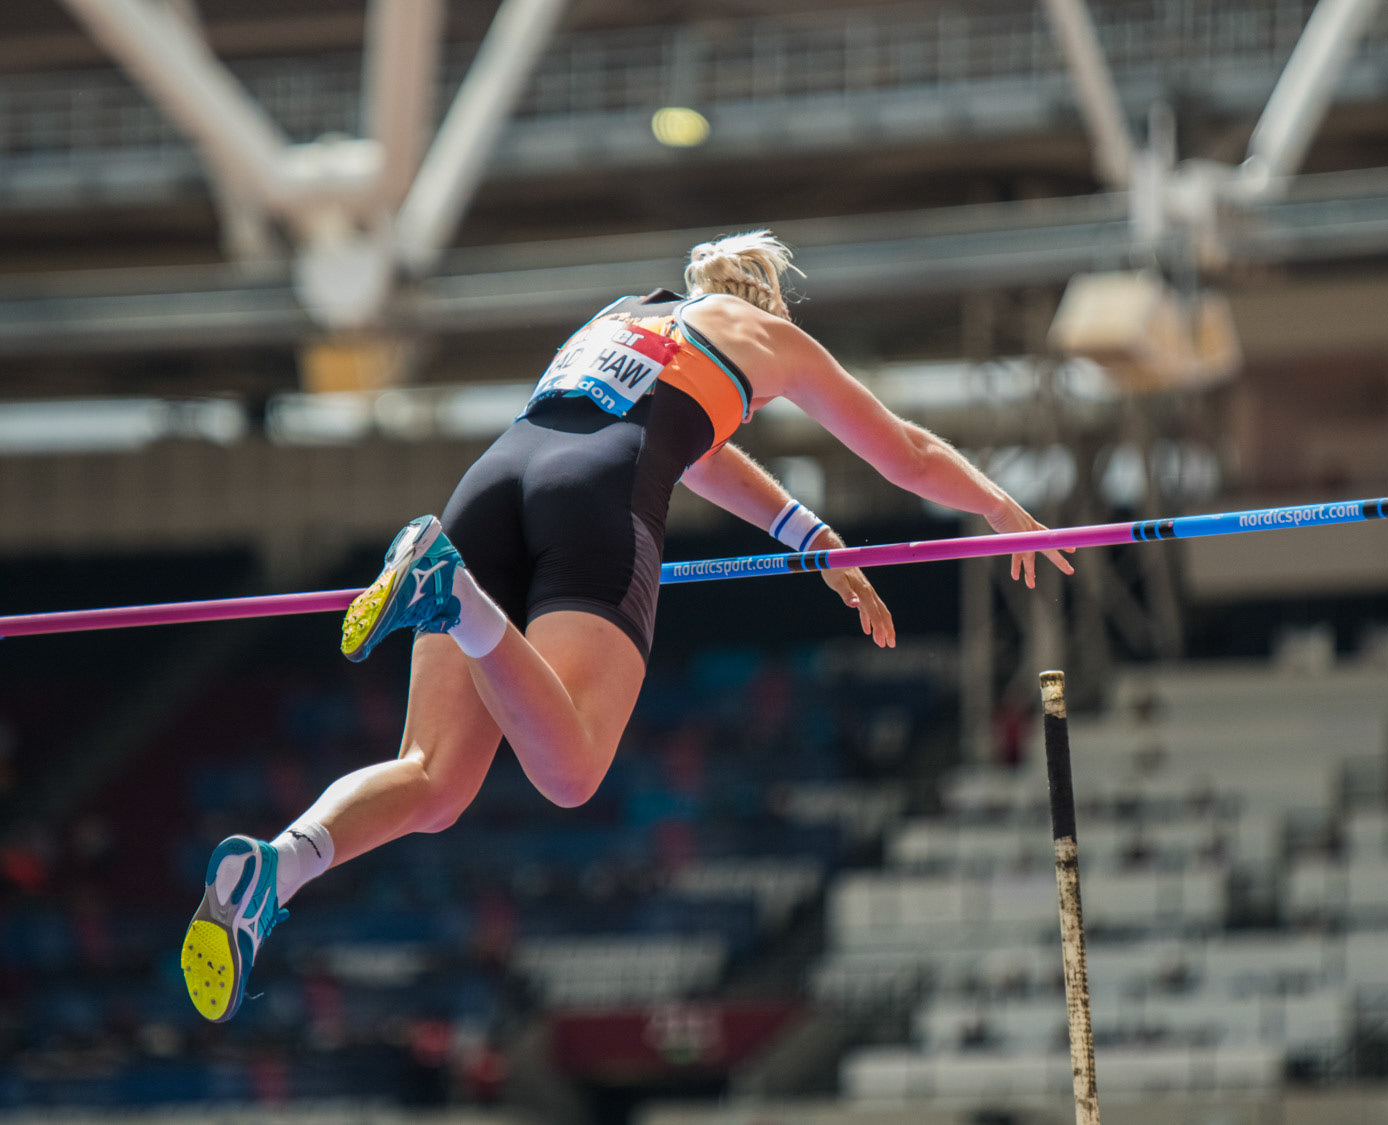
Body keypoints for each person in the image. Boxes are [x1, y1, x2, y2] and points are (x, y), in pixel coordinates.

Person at [181, 232, 1075, 1022]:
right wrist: (1001, 505)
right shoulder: (772, 338)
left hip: (490, 487)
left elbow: (701, 449)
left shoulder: (625, 316)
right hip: (597, 503)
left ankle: (279, 863)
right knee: (568, 770)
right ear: (765, 300)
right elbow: (904, 450)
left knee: (436, 779)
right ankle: (456, 600)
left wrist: (813, 539)